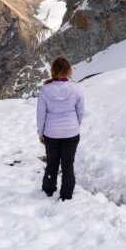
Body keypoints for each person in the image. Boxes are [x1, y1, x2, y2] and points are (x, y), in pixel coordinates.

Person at [37, 56, 85, 201]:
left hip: (51, 133)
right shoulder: (76, 88)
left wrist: (41, 132)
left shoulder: (45, 90)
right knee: (68, 165)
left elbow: (41, 115)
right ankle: (66, 195)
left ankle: (48, 190)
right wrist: (74, 125)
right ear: (69, 70)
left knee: (52, 162)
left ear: (53, 70)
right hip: (72, 132)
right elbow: (80, 111)